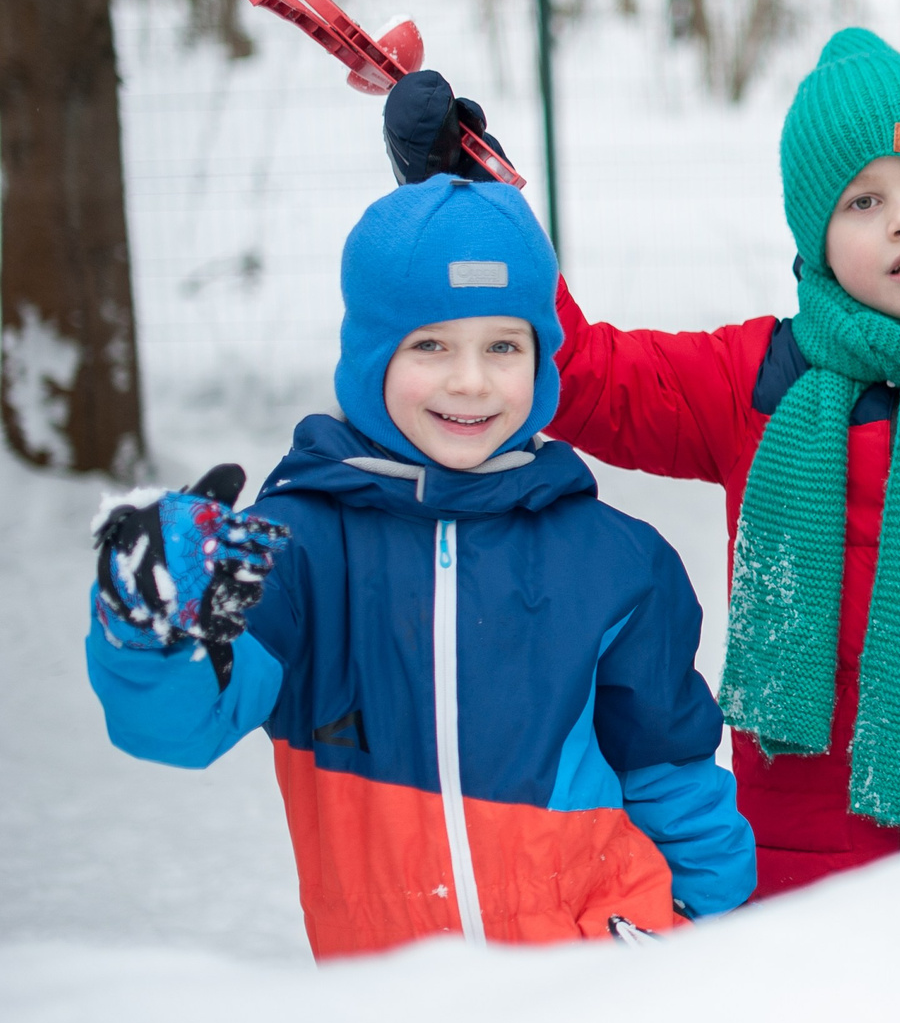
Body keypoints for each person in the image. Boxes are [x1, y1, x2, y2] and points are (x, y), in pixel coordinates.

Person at [382, 32, 900, 896]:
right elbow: (578, 373)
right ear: (816, 240)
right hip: (812, 855)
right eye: (862, 202)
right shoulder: (755, 383)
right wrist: (470, 205)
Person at [86, 177, 753, 958]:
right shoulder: (296, 553)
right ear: (373, 354)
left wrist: (706, 935)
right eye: (431, 345)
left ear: (542, 361)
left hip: (592, 983)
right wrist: (150, 626)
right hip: (394, 998)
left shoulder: (614, 560)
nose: (470, 380)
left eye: (503, 346)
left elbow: (670, 772)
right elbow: (178, 731)